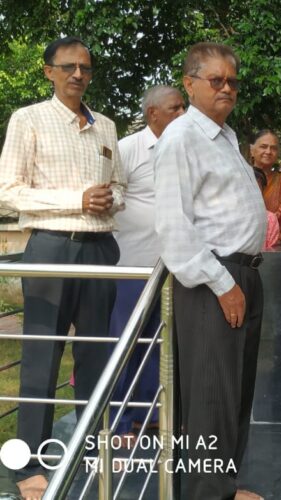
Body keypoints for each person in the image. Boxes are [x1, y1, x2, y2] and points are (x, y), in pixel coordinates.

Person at [0, 36, 125, 498]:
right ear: (48, 71)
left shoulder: (107, 127)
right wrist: (76, 199)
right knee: (41, 357)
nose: (78, 74)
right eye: (68, 66)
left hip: (100, 249)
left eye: (85, 68)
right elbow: (7, 190)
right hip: (50, 247)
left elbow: (123, 188)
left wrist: (112, 198)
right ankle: (27, 463)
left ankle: (93, 448)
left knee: (95, 354)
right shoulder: (28, 119)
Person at [153, 42, 266, 500]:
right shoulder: (182, 137)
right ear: (190, 83)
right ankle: (205, 494)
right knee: (209, 400)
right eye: (215, 80)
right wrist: (223, 284)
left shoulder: (226, 136)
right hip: (212, 281)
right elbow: (174, 227)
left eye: (232, 81)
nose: (226, 88)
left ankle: (223, 487)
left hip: (243, 276)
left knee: (234, 395)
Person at [109, 85, 185, 444]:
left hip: (172, 267)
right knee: (125, 342)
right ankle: (120, 423)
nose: (182, 114)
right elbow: (109, 196)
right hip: (132, 267)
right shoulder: (128, 149)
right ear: (153, 113)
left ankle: (151, 415)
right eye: (175, 108)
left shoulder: (185, 149)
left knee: (161, 341)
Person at [249, 129, 281, 244]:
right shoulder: (240, 177)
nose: (268, 151)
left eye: (273, 148)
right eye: (263, 146)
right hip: (244, 245)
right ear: (252, 150)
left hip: (276, 247)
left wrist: (279, 238)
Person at [252, 168, 280, 249]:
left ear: (263, 190)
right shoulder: (226, 215)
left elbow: (269, 250)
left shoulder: (270, 219)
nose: (250, 191)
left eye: (256, 187)